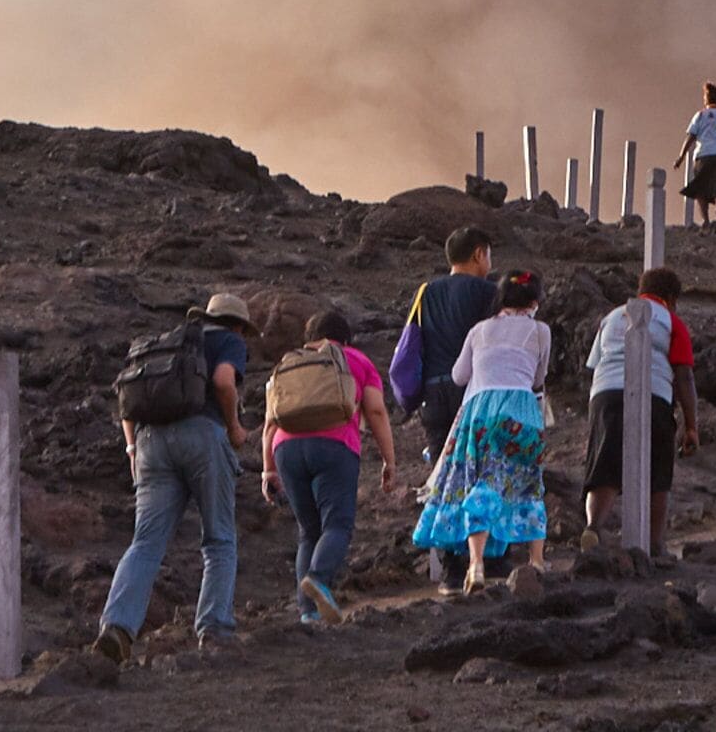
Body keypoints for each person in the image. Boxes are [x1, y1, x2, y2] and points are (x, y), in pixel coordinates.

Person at [95, 293, 256, 659]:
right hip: (202, 435)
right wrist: (234, 427)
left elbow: (128, 400)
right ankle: (214, 629)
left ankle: (117, 627)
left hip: (151, 441)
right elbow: (223, 380)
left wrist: (132, 448)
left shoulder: (168, 344)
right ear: (237, 325)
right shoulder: (228, 340)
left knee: (145, 542)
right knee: (219, 539)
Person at [407, 271, 554, 594]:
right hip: (522, 410)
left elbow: (460, 376)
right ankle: (537, 563)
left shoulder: (479, 330)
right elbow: (538, 378)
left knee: (481, 482)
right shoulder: (540, 331)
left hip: (480, 412)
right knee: (529, 483)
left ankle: (475, 565)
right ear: (534, 301)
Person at [258, 307, 395, 625]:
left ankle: (308, 612)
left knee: (309, 531)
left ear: (309, 340)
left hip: (286, 449)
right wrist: (389, 460)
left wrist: (268, 470)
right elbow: (375, 412)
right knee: (337, 525)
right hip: (335, 446)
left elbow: (269, 422)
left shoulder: (288, 363)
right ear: (344, 338)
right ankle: (319, 579)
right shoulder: (356, 360)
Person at [390, 228, 498, 593]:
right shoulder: (488, 292)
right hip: (476, 393)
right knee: (484, 475)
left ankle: (451, 574)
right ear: (479, 254)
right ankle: (487, 563)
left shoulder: (426, 292)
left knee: (445, 480)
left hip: (434, 397)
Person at [580, 267, 700, 552]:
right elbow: (684, 375)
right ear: (670, 299)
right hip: (653, 393)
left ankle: (593, 527)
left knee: (604, 464)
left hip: (605, 393)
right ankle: (655, 544)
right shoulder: (672, 321)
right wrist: (691, 425)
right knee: (658, 470)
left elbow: (594, 363)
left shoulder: (611, 317)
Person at [679, 83, 716, 228]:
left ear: (706, 100)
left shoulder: (700, 115)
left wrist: (681, 157)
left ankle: (706, 221)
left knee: (700, 190)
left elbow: (691, 137)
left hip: (704, 155)